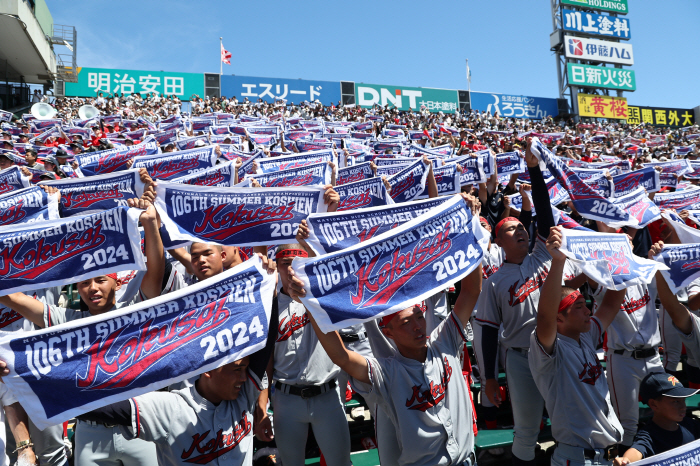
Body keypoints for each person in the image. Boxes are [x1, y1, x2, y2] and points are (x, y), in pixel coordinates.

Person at [287, 193, 483, 466]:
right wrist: (311, 303)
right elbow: (341, 356)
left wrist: (467, 228)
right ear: (387, 333)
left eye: (418, 316)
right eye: (406, 322)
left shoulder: (444, 341)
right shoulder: (386, 372)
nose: (418, 326)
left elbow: (472, 290)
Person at [474, 139, 555, 466]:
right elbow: (488, 333)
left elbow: (545, 215)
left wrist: (534, 170)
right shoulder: (493, 282)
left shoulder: (541, 256)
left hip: (558, 350)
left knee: (567, 417)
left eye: (522, 226)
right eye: (511, 228)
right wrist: (490, 377)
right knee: (526, 428)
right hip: (521, 358)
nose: (520, 230)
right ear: (498, 241)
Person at [529, 226, 626, 466]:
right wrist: (559, 262)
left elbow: (612, 302)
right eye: (579, 306)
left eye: (587, 303)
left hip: (608, 456)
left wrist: (623, 261)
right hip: (580, 459)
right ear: (559, 318)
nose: (588, 310)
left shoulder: (585, 335)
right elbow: (545, 316)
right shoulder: (550, 349)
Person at [614, 372, 700, 465]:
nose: (683, 407)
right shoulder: (649, 436)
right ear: (653, 404)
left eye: (683, 400)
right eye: (676, 401)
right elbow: (636, 451)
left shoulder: (691, 425)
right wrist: (626, 460)